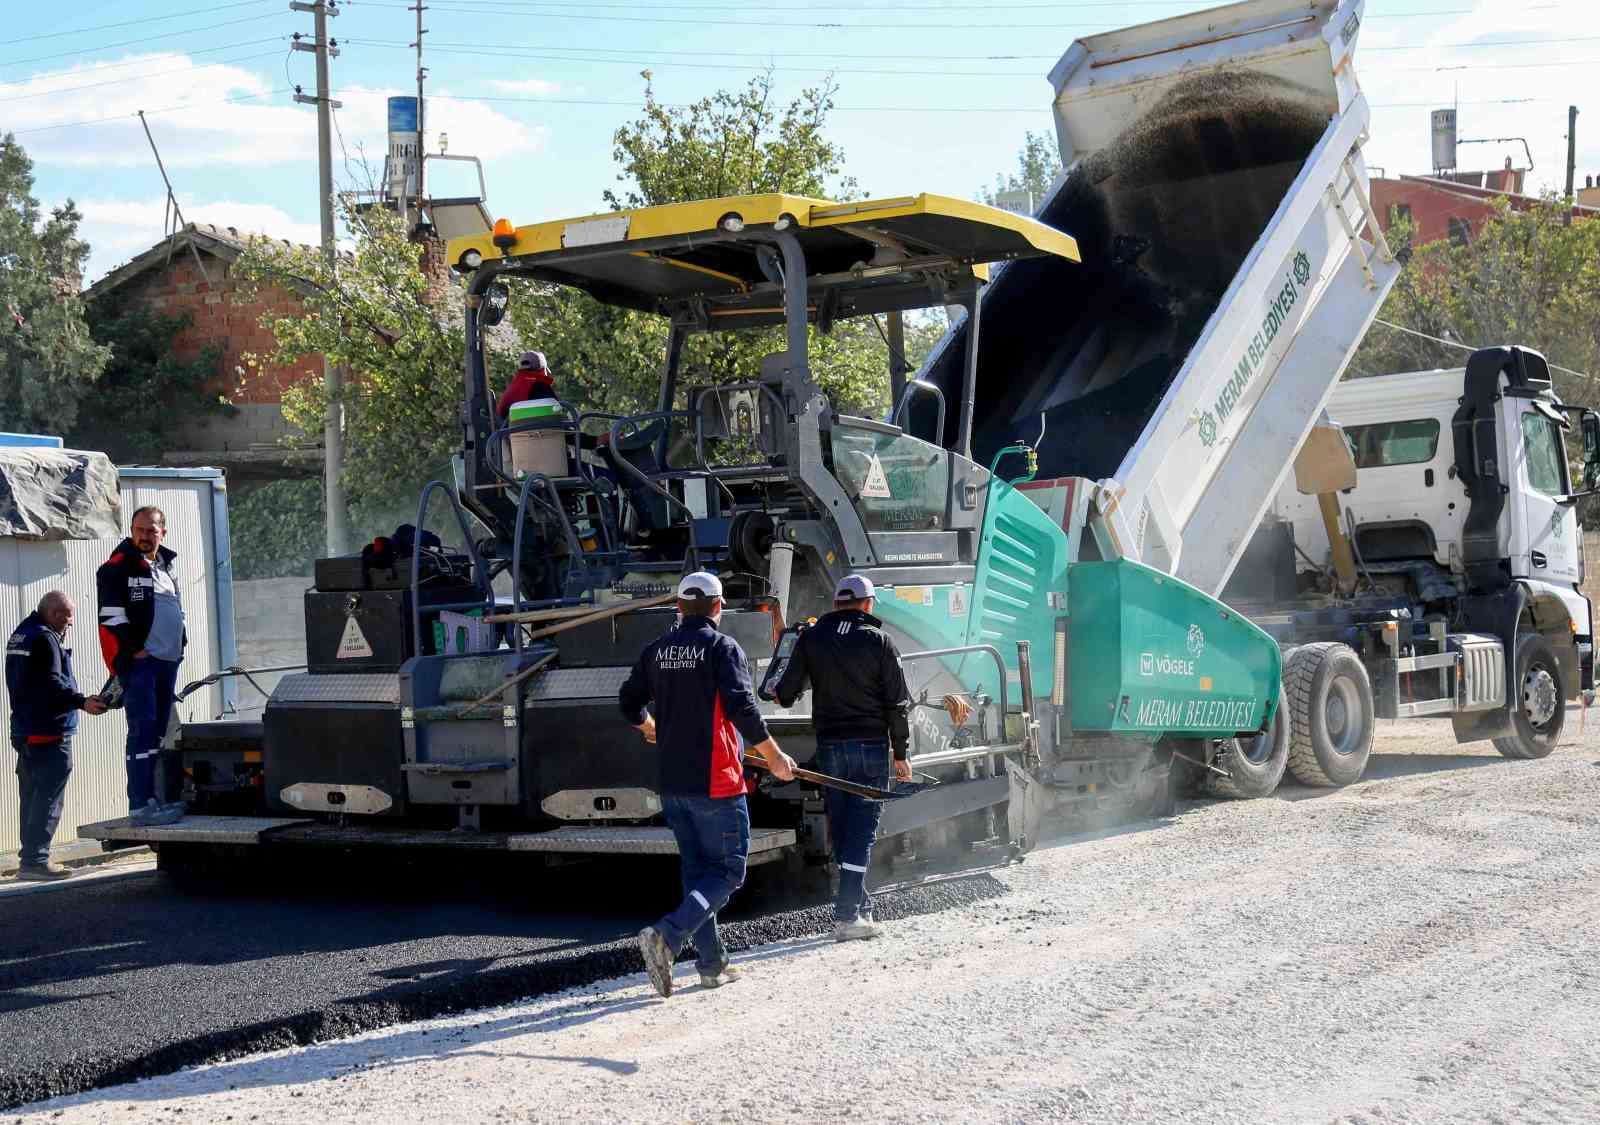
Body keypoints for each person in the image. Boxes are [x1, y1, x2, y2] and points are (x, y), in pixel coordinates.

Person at [619, 571, 796, 998]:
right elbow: (743, 709)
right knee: (730, 871)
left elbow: (627, 701)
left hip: (673, 783)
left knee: (699, 874)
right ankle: (668, 934)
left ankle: (712, 966)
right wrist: (775, 757)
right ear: (719, 607)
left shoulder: (657, 651)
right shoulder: (721, 648)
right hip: (716, 781)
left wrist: (650, 727)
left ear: (678, 607)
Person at [772, 574, 912, 942]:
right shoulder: (880, 641)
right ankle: (847, 915)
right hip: (869, 746)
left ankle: (861, 907)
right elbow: (897, 702)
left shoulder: (811, 638)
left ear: (836, 604)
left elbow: (786, 692)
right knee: (863, 831)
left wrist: (777, 690)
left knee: (845, 830)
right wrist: (901, 752)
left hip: (830, 747)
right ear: (867, 604)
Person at [6, 592, 109, 880]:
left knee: (31, 795)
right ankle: (36, 862)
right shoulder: (44, 637)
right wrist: (82, 701)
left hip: (25, 729)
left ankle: (30, 859)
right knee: (48, 796)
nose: (70, 623)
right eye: (67, 616)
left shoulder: (20, 634)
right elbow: (51, 683)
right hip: (48, 730)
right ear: (54, 614)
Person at [97, 505, 187, 819]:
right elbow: (110, 617)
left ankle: (157, 799)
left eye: (151, 530)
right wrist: (133, 650)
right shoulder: (117, 567)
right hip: (141, 665)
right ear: (132, 530)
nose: (145, 536)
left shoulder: (166, 566)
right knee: (142, 730)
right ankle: (140, 803)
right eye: (139, 530)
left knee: (159, 731)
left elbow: (175, 609)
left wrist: (180, 644)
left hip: (167, 661)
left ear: (163, 532)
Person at [496, 350, 556, 418]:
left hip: (509, 427)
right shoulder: (541, 386)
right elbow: (556, 413)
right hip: (534, 427)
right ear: (542, 370)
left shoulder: (512, 386)